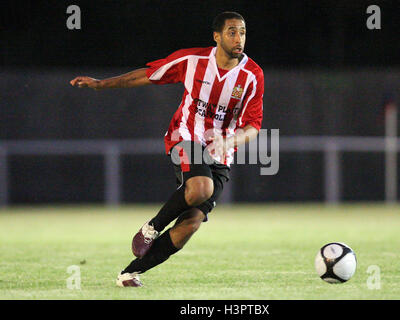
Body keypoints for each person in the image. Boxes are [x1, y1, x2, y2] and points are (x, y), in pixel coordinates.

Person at [70, 11, 264, 287]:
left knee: (190, 224)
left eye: (243, 32)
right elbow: (147, 75)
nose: (239, 38)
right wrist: (102, 84)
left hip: (222, 152)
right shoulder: (193, 60)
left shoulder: (253, 75)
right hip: (185, 136)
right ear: (217, 36)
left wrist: (230, 141)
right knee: (200, 189)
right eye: (232, 31)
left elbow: (253, 126)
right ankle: (151, 228)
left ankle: (129, 273)